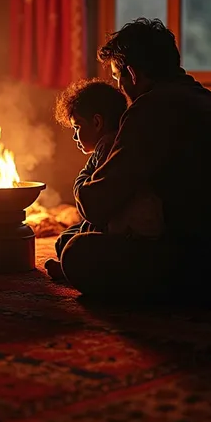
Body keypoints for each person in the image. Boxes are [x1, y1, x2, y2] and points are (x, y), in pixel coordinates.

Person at [60, 18, 211, 307]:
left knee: (76, 252)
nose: (120, 87)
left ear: (133, 74)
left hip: (201, 256)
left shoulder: (151, 109)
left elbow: (97, 204)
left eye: (117, 78)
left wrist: (81, 180)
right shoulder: (207, 99)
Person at [45, 78, 162, 281]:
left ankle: (69, 271)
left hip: (131, 230)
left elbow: (96, 207)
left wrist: (84, 173)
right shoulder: (119, 140)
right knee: (66, 237)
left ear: (97, 123)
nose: (75, 136)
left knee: (71, 244)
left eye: (77, 127)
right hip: (127, 223)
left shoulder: (107, 147)